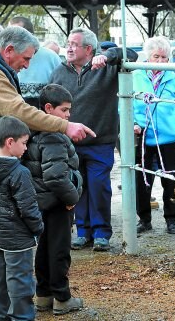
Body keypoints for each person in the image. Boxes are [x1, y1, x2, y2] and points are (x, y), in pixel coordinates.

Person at [0, 26, 94, 317]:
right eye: (25, 58)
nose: (27, 65)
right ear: (9, 50)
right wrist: (65, 126)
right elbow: (15, 110)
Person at [50, 27, 137, 251]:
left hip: (100, 142)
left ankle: (101, 233)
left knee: (98, 186)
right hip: (71, 143)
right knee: (77, 187)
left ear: (88, 49)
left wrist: (107, 56)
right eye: (67, 43)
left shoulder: (106, 68)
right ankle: (83, 231)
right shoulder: (59, 72)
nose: (68, 47)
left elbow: (131, 54)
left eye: (74, 44)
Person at [22, 84, 84, 314]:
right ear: (48, 108)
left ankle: (44, 294)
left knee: (44, 248)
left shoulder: (33, 132)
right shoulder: (54, 137)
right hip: (58, 202)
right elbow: (56, 176)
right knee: (59, 249)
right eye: (65, 110)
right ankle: (62, 297)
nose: (68, 116)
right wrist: (72, 198)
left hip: (41, 202)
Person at [0, 116, 43, 321]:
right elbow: (28, 208)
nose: (26, 148)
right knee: (20, 282)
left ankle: (0, 316)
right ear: (10, 142)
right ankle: (22, 317)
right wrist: (38, 228)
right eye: (24, 143)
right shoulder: (19, 172)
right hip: (18, 239)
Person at [132, 36, 175, 235]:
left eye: (164, 57)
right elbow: (124, 106)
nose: (160, 61)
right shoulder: (136, 76)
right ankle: (144, 219)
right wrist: (133, 123)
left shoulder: (173, 78)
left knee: (171, 180)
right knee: (142, 180)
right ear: (148, 57)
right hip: (143, 137)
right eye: (156, 56)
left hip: (169, 138)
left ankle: (171, 220)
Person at [9, 16, 62, 108]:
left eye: (14, 34)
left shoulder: (52, 58)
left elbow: (61, 94)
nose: (9, 38)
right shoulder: (6, 58)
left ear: (29, 35)